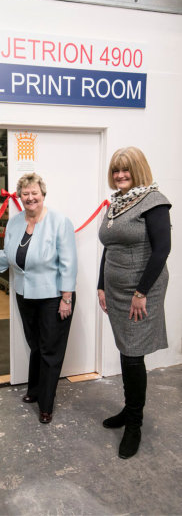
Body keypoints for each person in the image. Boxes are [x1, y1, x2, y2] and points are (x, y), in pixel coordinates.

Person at [0, 173, 77, 423]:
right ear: (20, 197)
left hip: (53, 296)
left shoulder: (59, 222)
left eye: (34, 193)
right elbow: (7, 255)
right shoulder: (15, 223)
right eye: (25, 194)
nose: (30, 198)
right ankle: (35, 390)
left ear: (42, 194)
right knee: (36, 345)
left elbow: (69, 263)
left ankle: (46, 404)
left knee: (50, 350)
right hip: (25, 294)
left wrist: (66, 298)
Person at [98, 146, 171, 459]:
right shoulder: (117, 202)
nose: (120, 175)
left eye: (125, 170)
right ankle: (129, 411)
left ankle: (135, 423)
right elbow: (109, 247)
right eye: (116, 170)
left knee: (132, 356)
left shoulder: (154, 201)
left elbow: (161, 250)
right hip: (115, 291)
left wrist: (141, 292)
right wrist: (101, 285)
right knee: (126, 352)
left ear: (138, 170)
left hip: (142, 290)